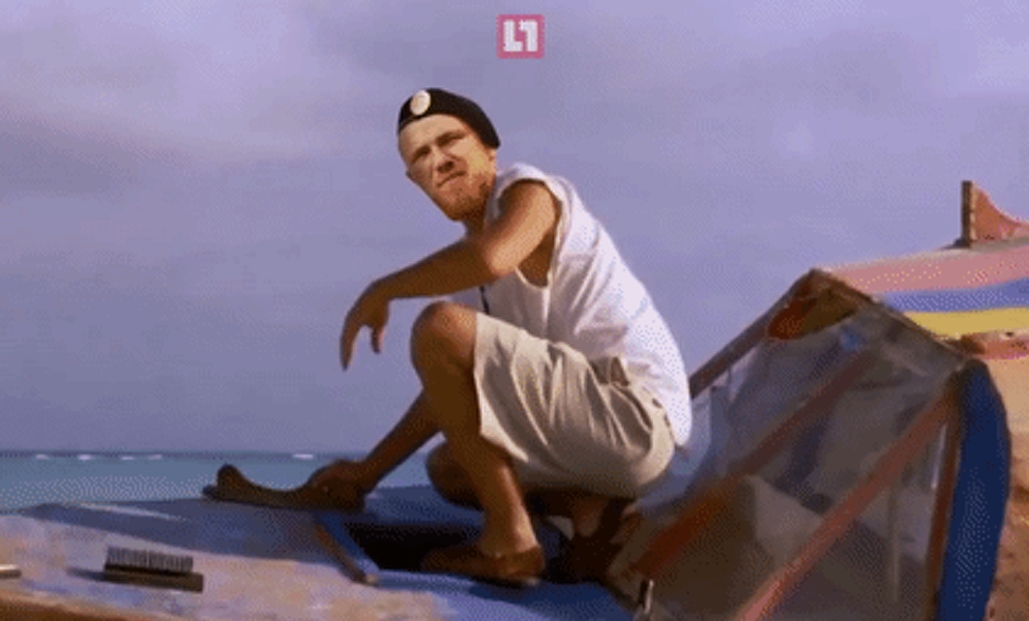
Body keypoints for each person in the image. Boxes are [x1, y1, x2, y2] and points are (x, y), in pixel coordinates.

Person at [213, 88, 693, 586]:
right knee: (451, 468)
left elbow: (489, 260)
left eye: (450, 141)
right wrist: (366, 474)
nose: (437, 161)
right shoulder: (473, 278)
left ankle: (511, 543)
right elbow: (450, 390)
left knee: (439, 326)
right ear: (415, 180)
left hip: (638, 419)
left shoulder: (532, 193)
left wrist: (383, 289)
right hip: (599, 438)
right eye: (420, 156)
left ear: (490, 150)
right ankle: (590, 511)